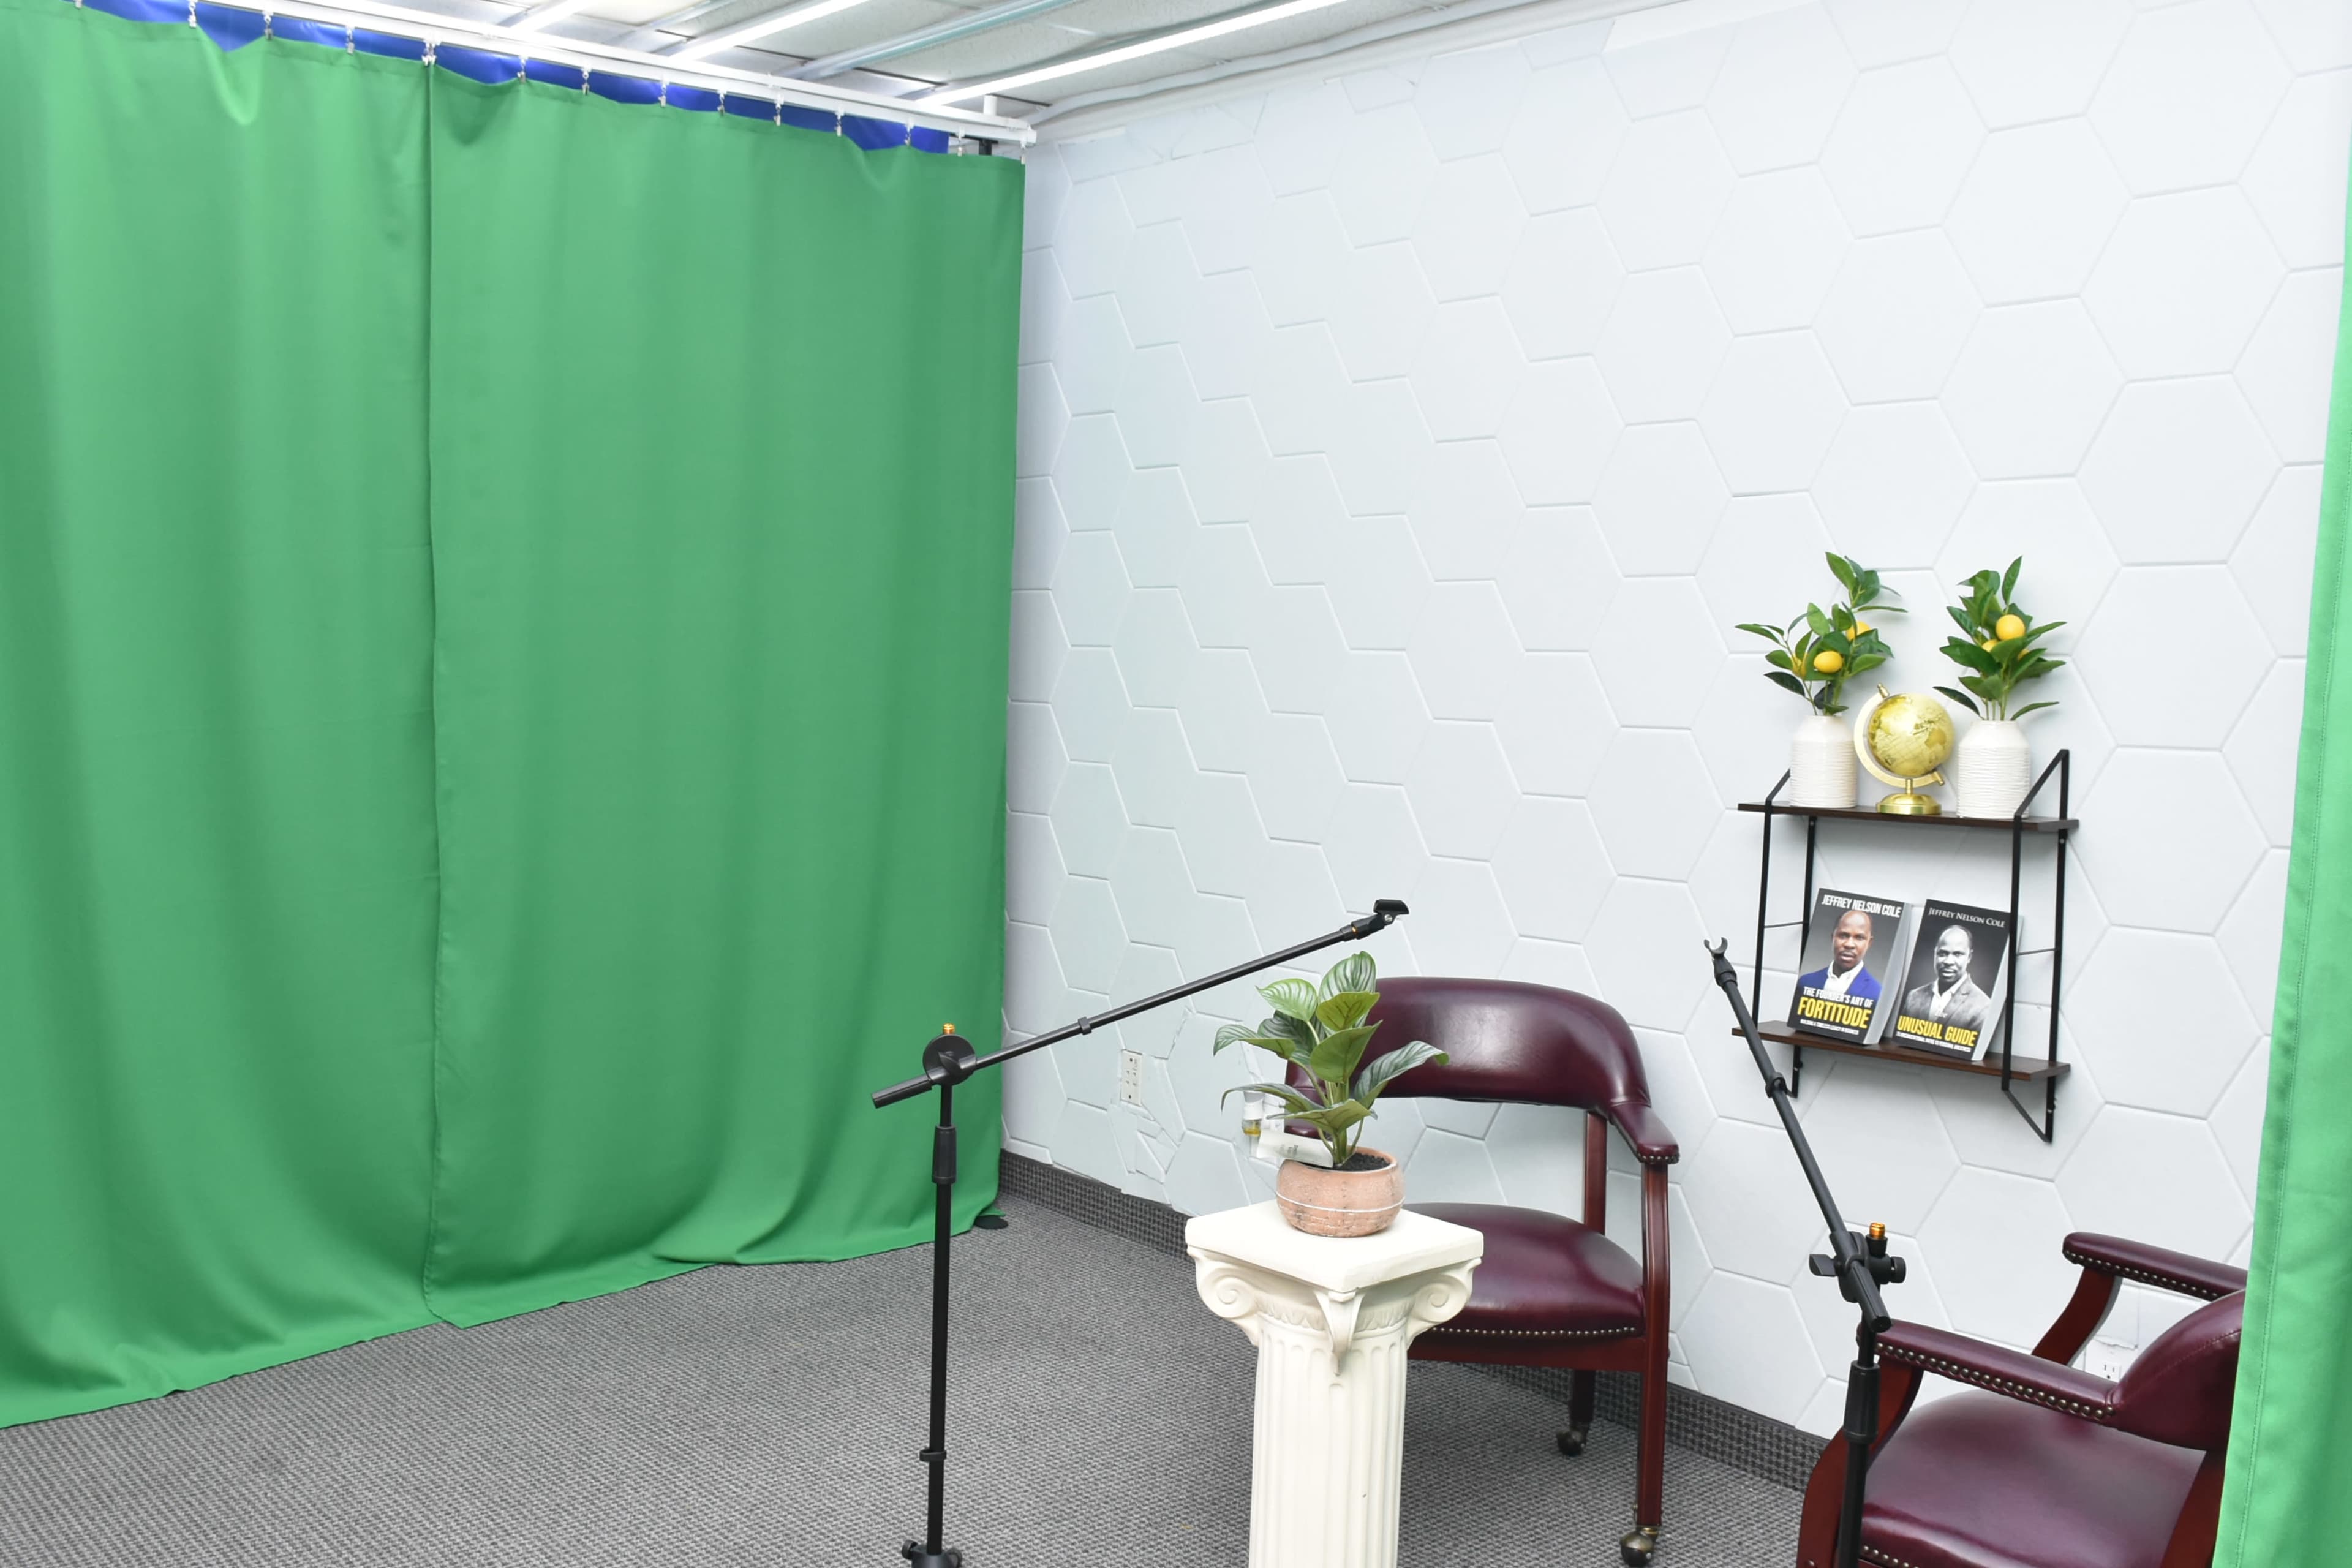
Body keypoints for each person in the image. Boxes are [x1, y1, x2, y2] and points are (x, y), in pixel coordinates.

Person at [1902, 924, 1992, 1038]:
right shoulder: (1914, 997)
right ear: (1935, 954)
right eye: (1943, 953)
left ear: (1969, 957)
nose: (1949, 961)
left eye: (1958, 954)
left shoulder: (1983, 1007)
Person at [1798, 907, 1881, 1002]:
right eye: (1843, 936)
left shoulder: (1877, 994)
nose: (1849, 944)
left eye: (1859, 938)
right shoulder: (1806, 982)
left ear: (1869, 943)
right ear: (1833, 938)